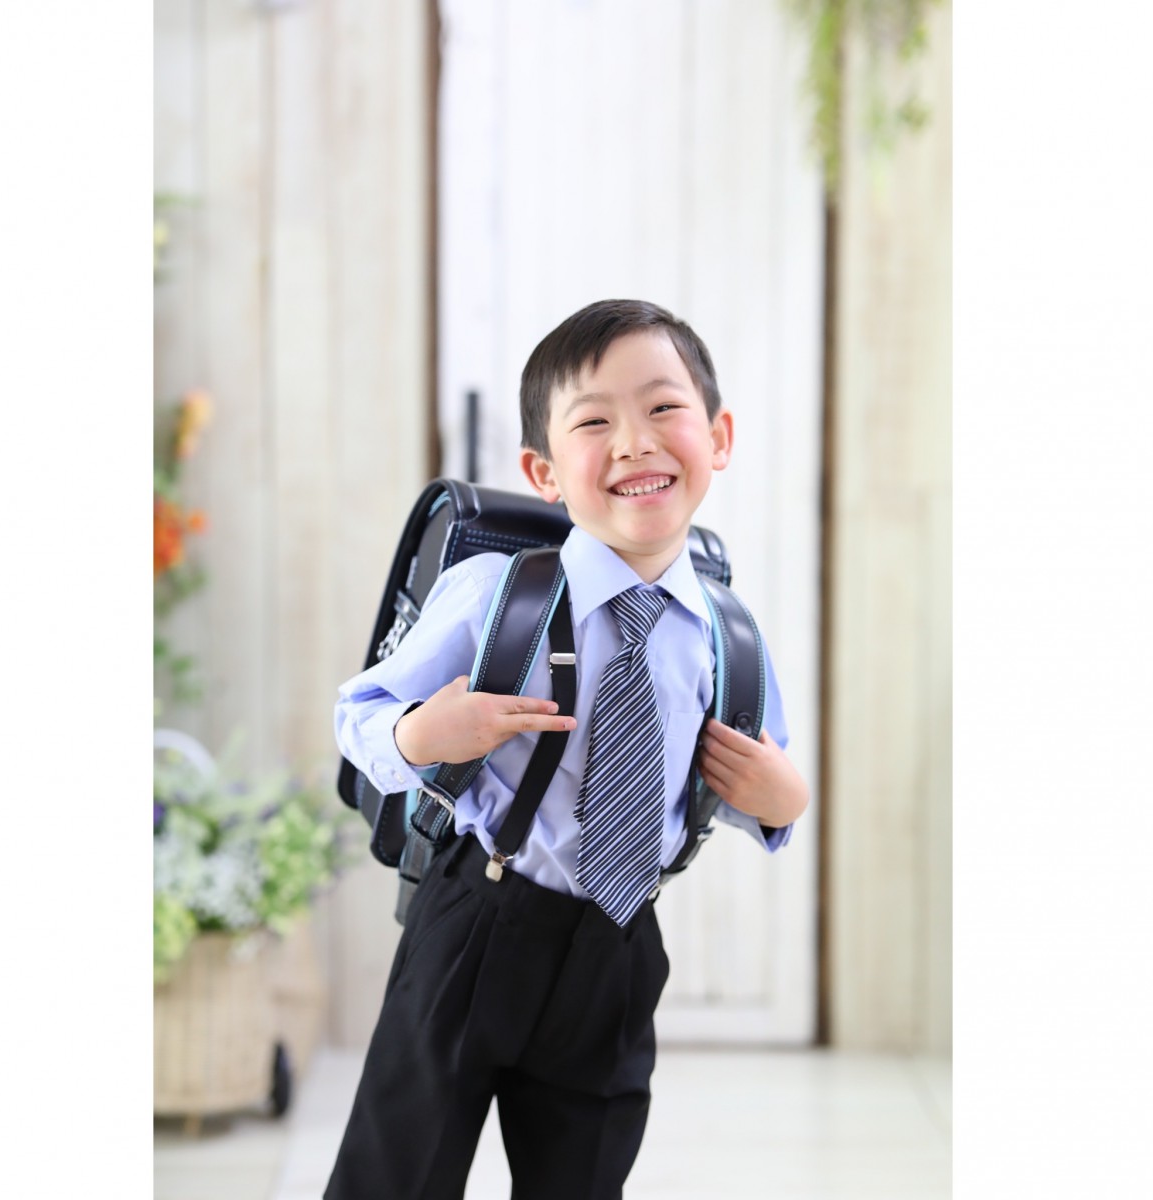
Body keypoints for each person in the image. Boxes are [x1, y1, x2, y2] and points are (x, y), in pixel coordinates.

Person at [325, 299, 809, 1199]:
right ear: (543, 472)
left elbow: (756, 781)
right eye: (594, 422)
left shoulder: (726, 635)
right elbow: (360, 714)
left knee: (584, 1177)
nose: (635, 442)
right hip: (478, 919)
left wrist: (785, 800)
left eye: (664, 408)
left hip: (617, 946)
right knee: (400, 1168)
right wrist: (422, 733)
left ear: (719, 437)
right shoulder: (494, 594)